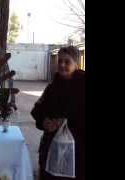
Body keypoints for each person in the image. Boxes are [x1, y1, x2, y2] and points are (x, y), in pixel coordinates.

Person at [31, 46, 85, 180]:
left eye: (67, 62)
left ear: (76, 64)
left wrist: (66, 121)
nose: (62, 65)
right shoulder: (53, 86)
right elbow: (37, 109)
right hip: (51, 148)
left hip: (78, 152)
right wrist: (45, 122)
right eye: (60, 61)